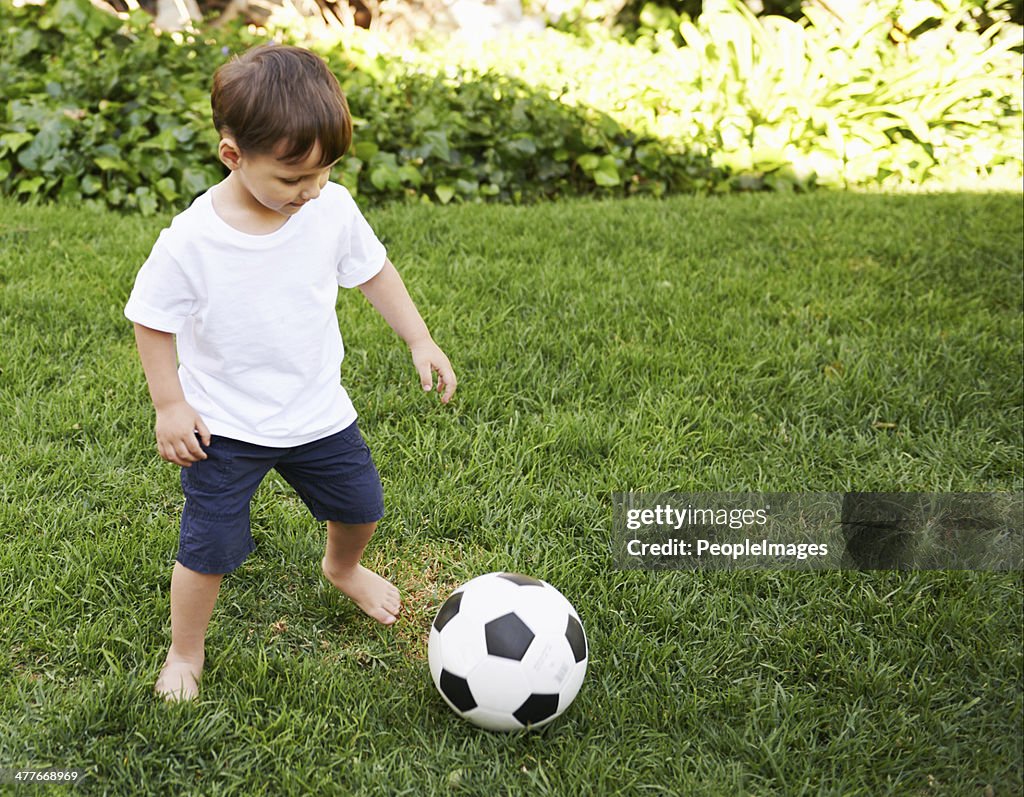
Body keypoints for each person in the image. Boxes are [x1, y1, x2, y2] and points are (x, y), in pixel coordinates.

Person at [124, 43, 457, 701]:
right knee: (207, 548)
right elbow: (151, 319)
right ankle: (185, 652)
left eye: (324, 173)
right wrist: (170, 404)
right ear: (232, 156)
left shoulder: (329, 210)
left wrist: (419, 338)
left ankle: (342, 568)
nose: (310, 192)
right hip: (224, 425)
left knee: (361, 506)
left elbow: (373, 271)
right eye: (291, 178)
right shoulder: (191, 240)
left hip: (315, 412)